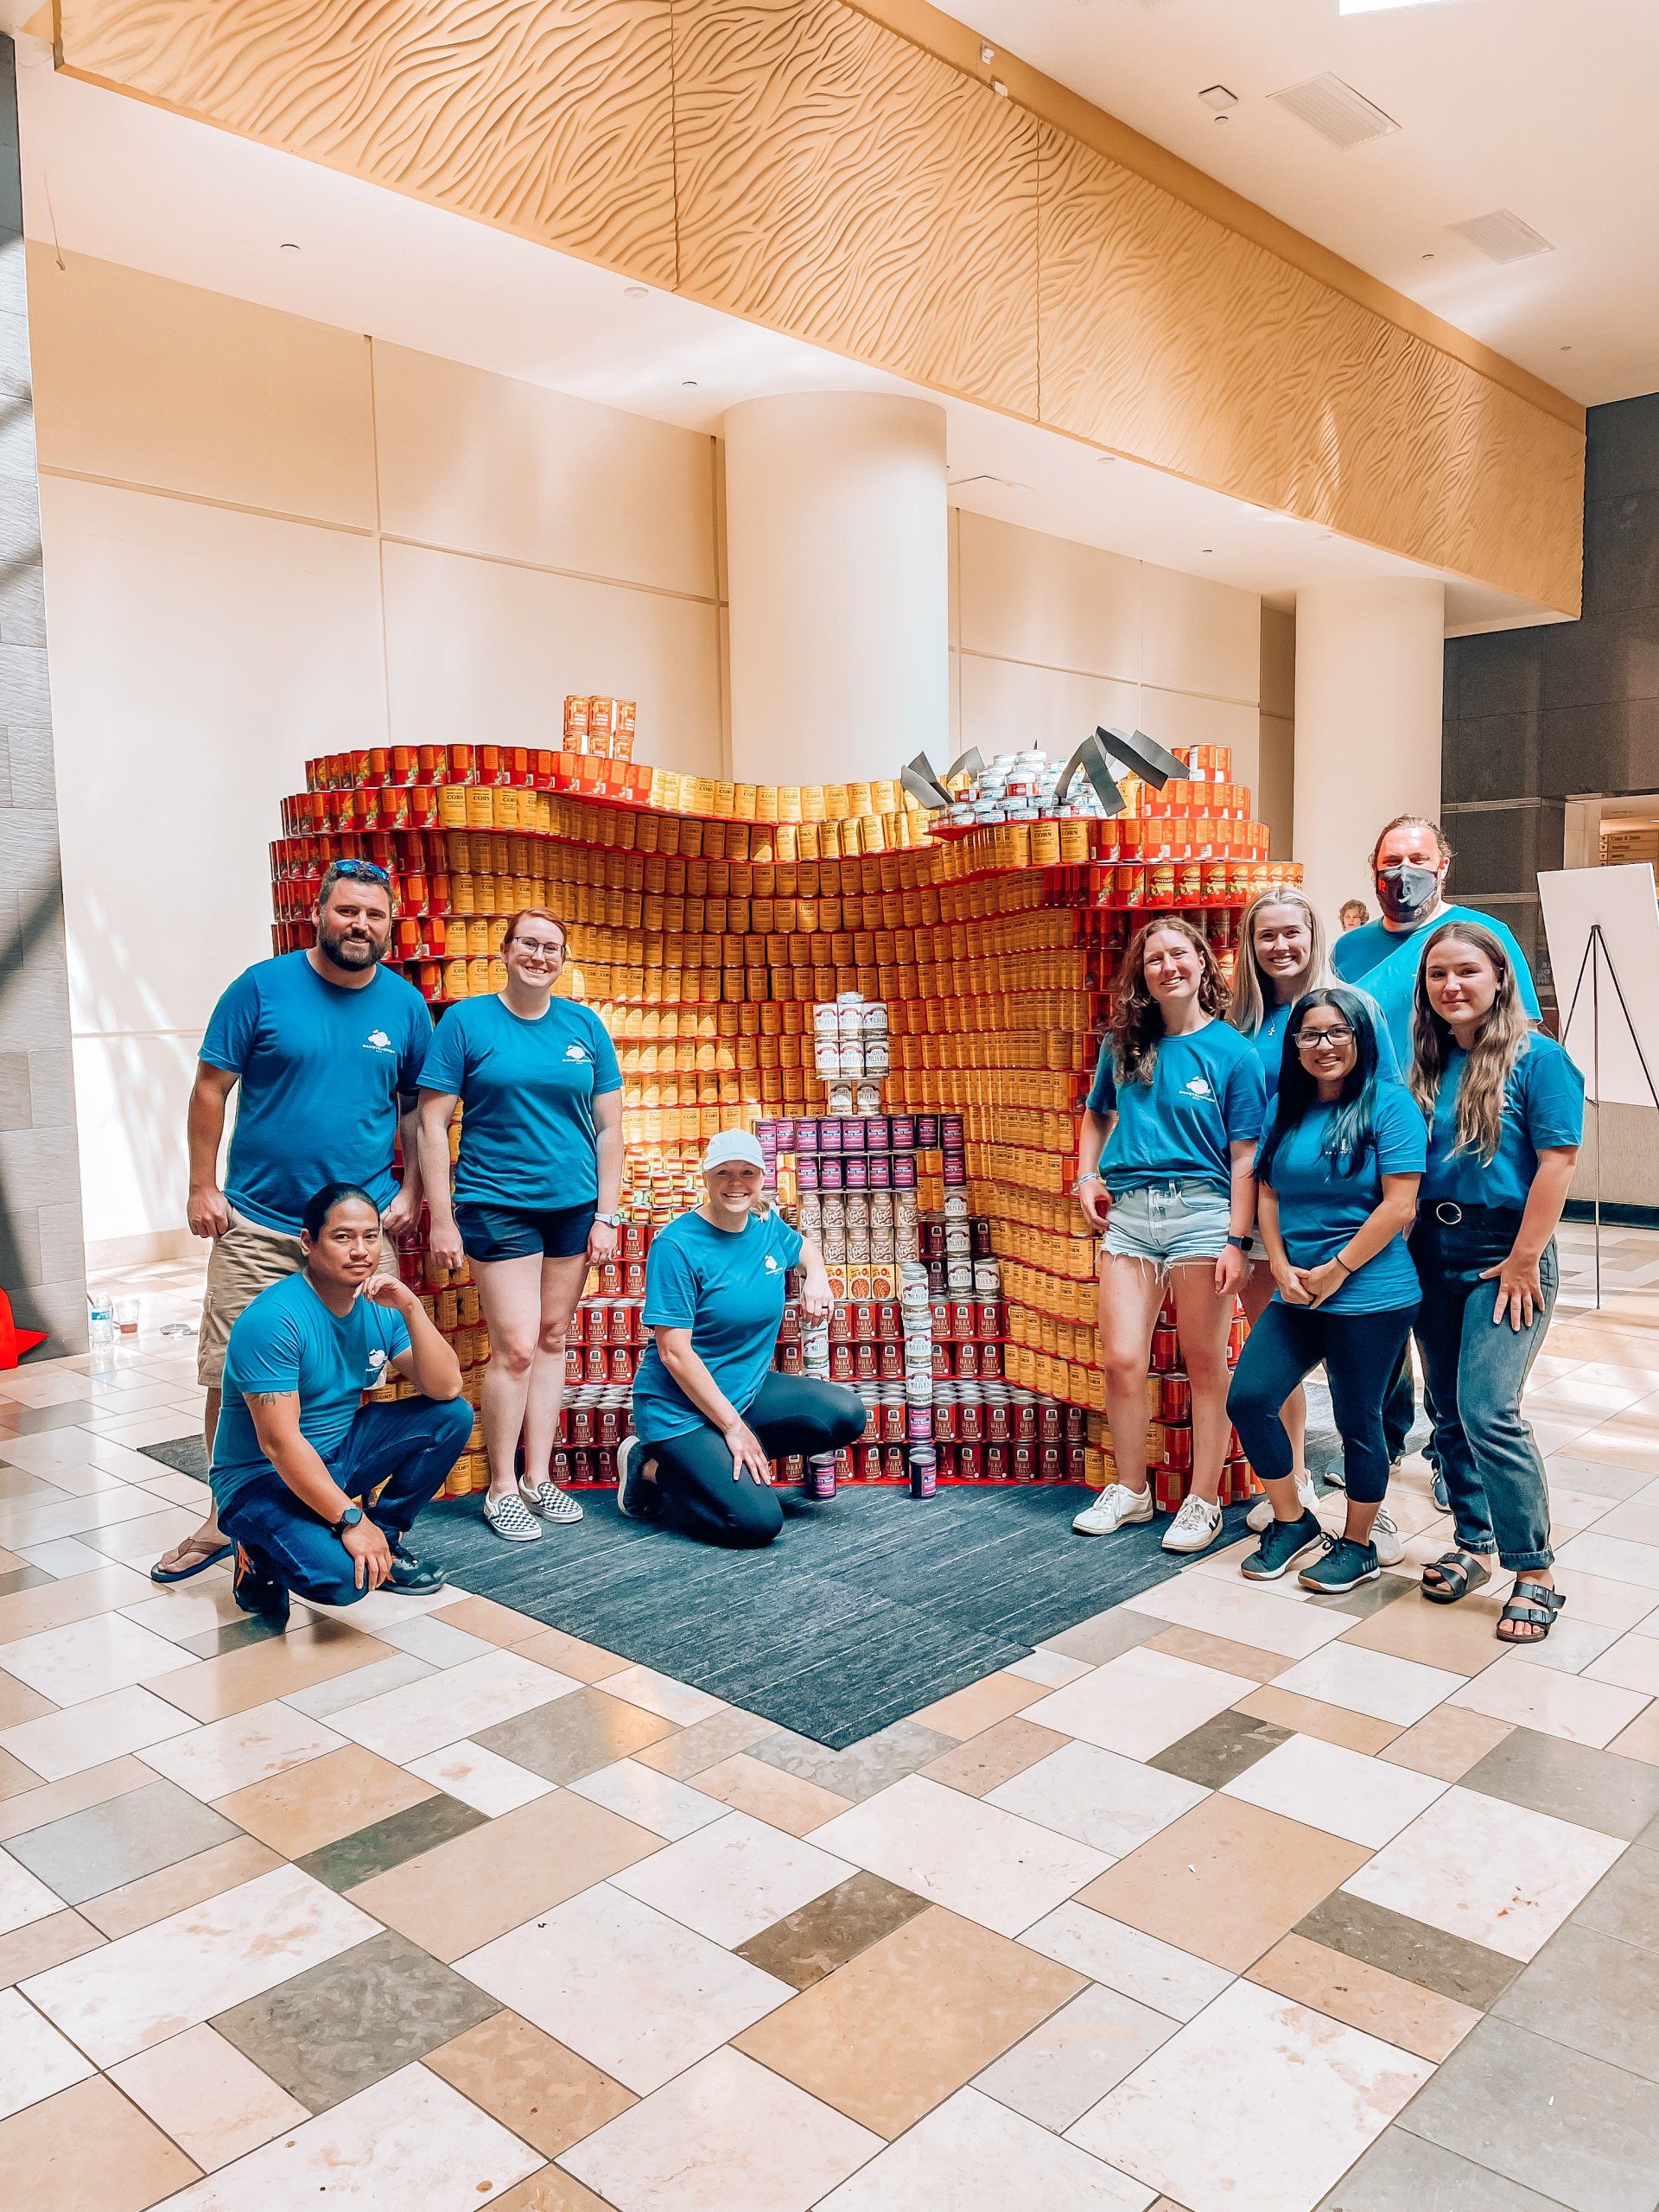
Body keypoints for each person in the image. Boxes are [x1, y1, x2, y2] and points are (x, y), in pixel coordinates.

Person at [153, 860, 432, 1586]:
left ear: (389, 923)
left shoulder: (403, 1007)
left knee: (362, 1370)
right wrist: (199, 1186)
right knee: (227, 1376)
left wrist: (415, 1190)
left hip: (358, 1230)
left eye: (373, 915)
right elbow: (212, 1088)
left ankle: (345, 1512)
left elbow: (416, 1112)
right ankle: (228, 1515)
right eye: (347, 911)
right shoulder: (261, 988)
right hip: (258, 1224)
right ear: (319, 911)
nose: (359, 926)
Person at [1333, 815, 1541, 1502]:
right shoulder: (1351, 948)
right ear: (1372, 869)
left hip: (1449, 1157)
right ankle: (1384, 1439)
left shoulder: (1480, 935)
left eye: (1417, 859)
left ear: (1443, 865)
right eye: (1390, 861)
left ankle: (1458, 1462)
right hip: (1368, 1151)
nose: (1403, 873)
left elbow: (1520, 1043)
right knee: (1381, 1305)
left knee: (1451, 1346)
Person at [419, 909, 624, 1544]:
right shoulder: (466, 1022)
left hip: (572, 1203)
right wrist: (443, 1216)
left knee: (554, 1338)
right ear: (504, 952)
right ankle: (501, 1486)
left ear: (564, 959)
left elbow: (611, 1129)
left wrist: (607, 1214)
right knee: (513, 1344)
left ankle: (539, 1476)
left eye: (552, 948)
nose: (540, 956)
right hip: (495, 1202)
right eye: (529, 945)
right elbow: (432, 1124)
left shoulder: (584, 1027)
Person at [1408, 923, 1583, 1642]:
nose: (1452, 986)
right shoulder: (1424, 1061)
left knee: (1489, 1409)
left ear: (1500, 977)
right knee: (1446, 1408)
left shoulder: (1540, 1060)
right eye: (1438, 975)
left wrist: (1521, 1259)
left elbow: (1557, 1164)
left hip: (1504, 1254)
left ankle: (1534, 1569)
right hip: (1427, 1247)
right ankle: (1474, 1546)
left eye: (1466, 972)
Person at [1072, 918, 1266, 1554]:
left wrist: (1238, 1240)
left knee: (1205, 1364)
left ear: (1204, 965)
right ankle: (1132, 1490)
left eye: (1179, 954)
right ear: (1142, 974)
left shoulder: (1232, 1053)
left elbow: (1245, 1158)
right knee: (1122, 1359)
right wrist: (1086, 1175)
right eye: (1153, 959)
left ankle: (1203, 1500)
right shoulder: (1123, 1044)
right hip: (1130, 1214)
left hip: (1202, 1214)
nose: (1167, 967)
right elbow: (1098, 1113)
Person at [1228, 989, 1424, 1592]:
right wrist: (1281, 1266)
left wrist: (1337, 1269)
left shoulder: (1390, 1105)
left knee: (1358, 1422)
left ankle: (1359, 1544)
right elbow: (1269, 1194)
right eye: (1310, 1035)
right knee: (1250, 1398)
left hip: (1373, 1294)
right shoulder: (1286, 1106)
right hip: (1298, 1289)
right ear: (1295, 1047)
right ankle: (1292, 1521)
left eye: (1338, 1032)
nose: (1324, 1046)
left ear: (1362, 1039)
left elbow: (1400, 1205)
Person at [213, 1184, 470, 1626]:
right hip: (260, 1479)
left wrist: (410, 1307)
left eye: (371, 1236)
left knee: (451, 1417)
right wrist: (351, 1520)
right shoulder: (273, 1319)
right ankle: (254, 1551)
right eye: (343, 1237)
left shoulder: (379, 1305)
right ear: (308, 1243)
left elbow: (446, 1387)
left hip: (334, 1454)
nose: (361, 1251)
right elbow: (278, 1443)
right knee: (341, 1582)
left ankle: (384, 1543)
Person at [614, 1130, 866, 1549]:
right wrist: (732, 1428)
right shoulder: (676, 1245)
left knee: (845, 1414)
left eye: (747, 1173)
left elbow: (803, 1248)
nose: (736, 1184)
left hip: (745, 1392)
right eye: (724, 1173)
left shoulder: (766, 1225)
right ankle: (649, 1467)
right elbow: (674, 1353)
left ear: (762, 1177)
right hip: (680, 1408)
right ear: (707, 1177)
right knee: (756, 1523)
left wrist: (816, 1277)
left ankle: (714, 1465)